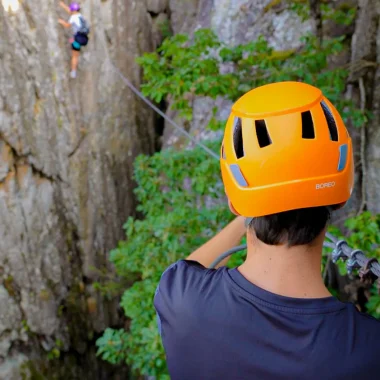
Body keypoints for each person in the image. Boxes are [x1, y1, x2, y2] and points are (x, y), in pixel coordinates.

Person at [154, 81, 380, 379]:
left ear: (236, 204)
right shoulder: (367, 350)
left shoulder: (182, 301)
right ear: (339, 198)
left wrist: (251, 202)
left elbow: (191, 267)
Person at [58, 2, 89, 79]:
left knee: (75, 56)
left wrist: (61, 21)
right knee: (72, 40)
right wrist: (63, 5)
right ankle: (71, 41)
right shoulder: (79, 16)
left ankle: (73, 71)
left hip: (77, 39)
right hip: (84, 39)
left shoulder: (73, 17)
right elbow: (70, 11)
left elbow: (67, 25)